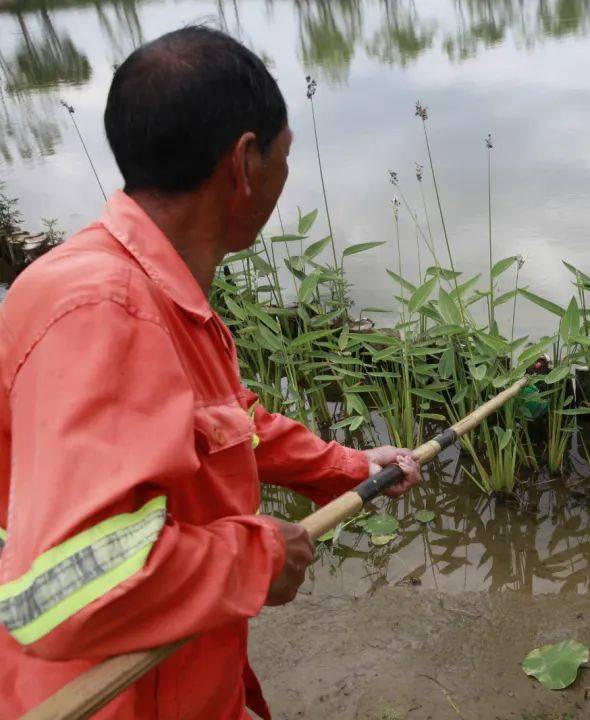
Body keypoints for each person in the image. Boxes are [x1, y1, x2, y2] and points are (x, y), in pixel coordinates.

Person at [0, 26, 421, 718]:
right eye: (286, 157)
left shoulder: (155, 288)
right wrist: (254, 559)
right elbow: (60, 595)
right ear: (244, 165)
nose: (286, 178)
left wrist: (349, 465)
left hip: (192, 676)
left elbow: (230, 426)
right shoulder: (101, 310)